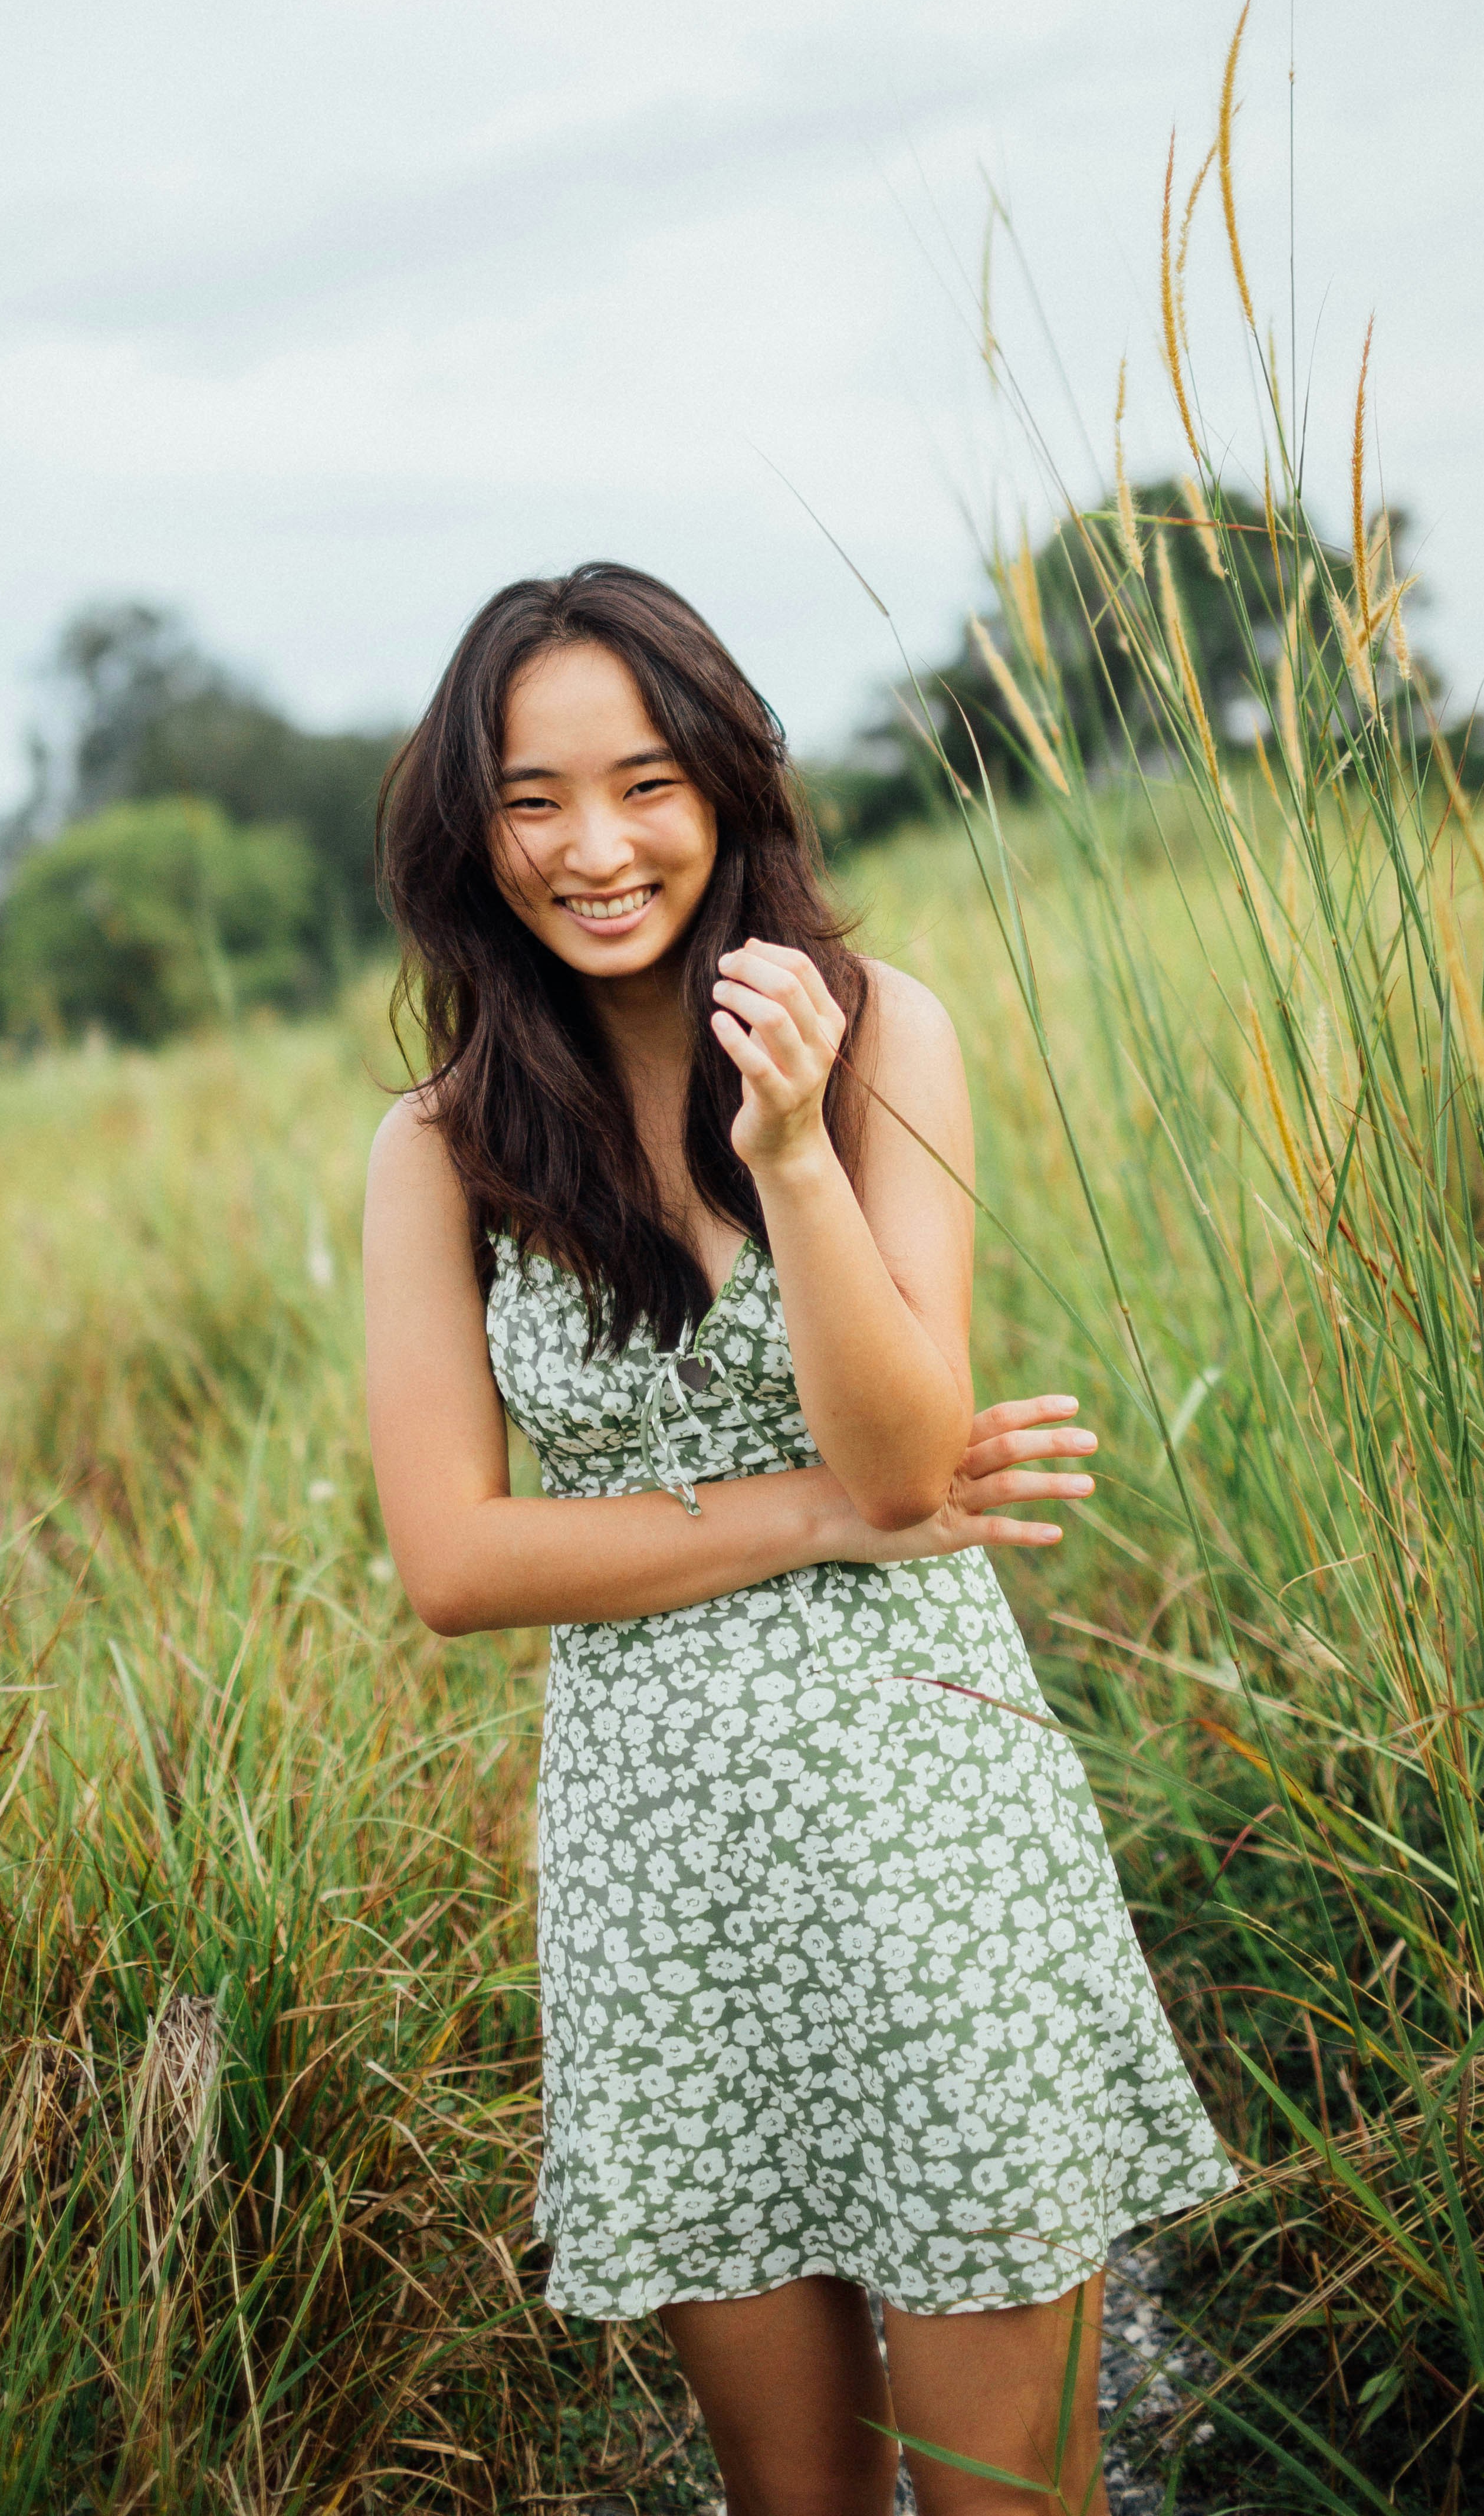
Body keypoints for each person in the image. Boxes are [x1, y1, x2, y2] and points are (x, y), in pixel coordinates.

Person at [363, 565, 1232, 2516]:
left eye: (644, 782)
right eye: (531, 800)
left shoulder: (876, 1032)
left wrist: (791, 1161)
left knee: (1010, 2489)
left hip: (930, 1837)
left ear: (728, 783)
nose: (595, 847)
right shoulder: (439, 1147)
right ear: (469, 829)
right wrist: (816, 1514)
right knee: (798, 2499)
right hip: (660, 1891)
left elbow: (911, 1458)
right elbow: (455, 1563)